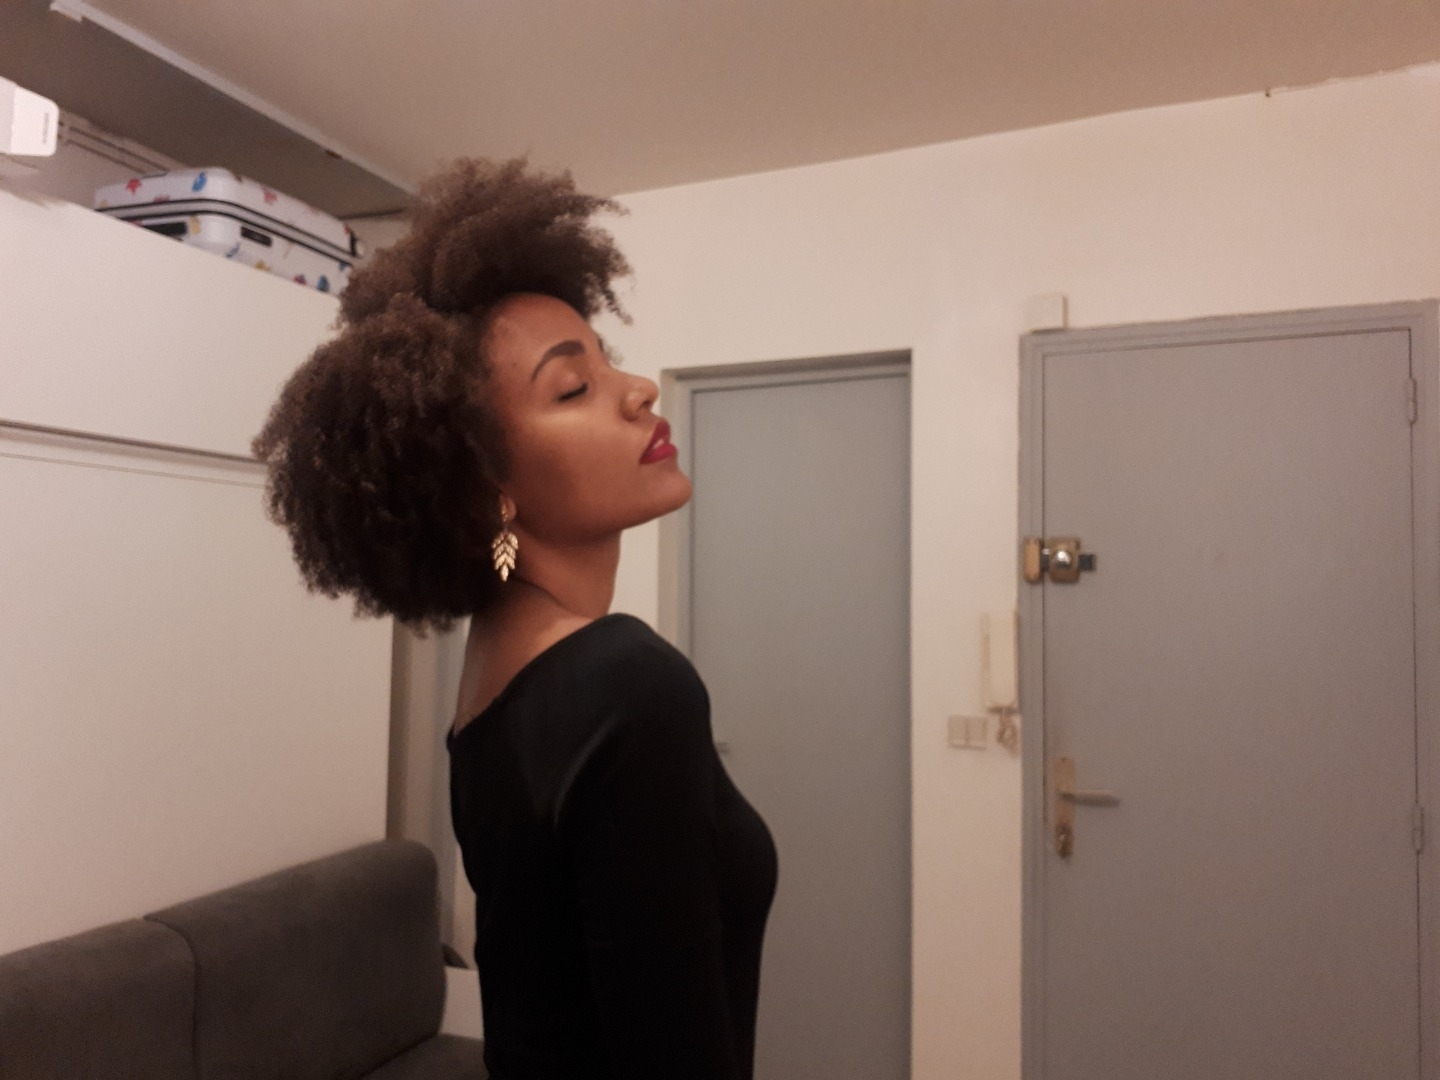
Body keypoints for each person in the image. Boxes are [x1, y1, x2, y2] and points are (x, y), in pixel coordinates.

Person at [251, 157, 779, 1080]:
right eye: (572, 387)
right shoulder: (628, 687)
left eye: (606, 359)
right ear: (485, 484)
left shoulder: (493, 688)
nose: (638, 390)